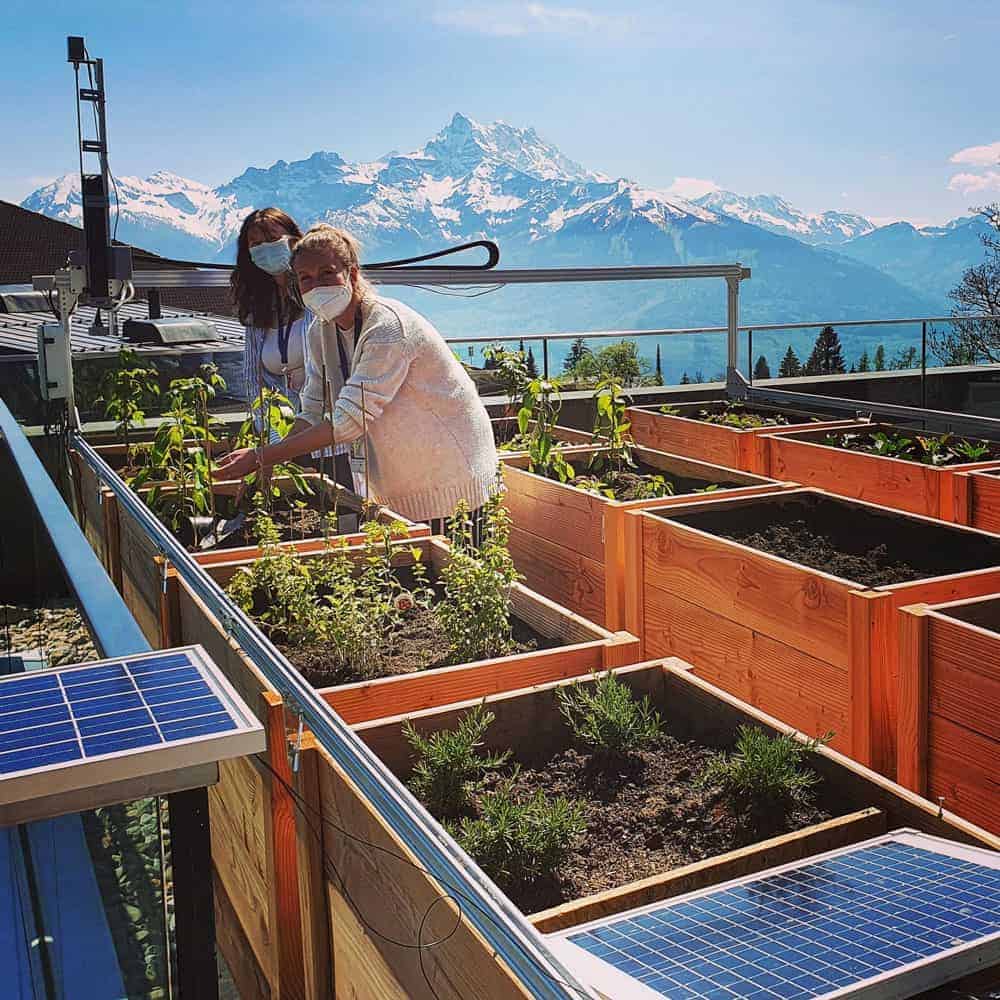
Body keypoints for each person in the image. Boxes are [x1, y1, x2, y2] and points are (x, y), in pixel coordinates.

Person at [214, 224, 499, 526]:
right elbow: (312, 408)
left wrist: (261, 456)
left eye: (327, 273)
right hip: (401, 476)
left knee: (451, 550)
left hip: (451, 472)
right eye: (306, 278)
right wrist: (268, 460)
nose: (317, 286)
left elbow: (348, 422)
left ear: (351, 273)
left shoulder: (388, 327)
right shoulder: (321, 330)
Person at [231, 208, 312, 437]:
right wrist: (272, 434)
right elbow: (252, 378)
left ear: (294, 241)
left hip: (327, 430)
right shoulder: (258, 308)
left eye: (273, 239)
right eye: (256, 244)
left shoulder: (315, 295)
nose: (266, 249)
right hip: (281, 431)